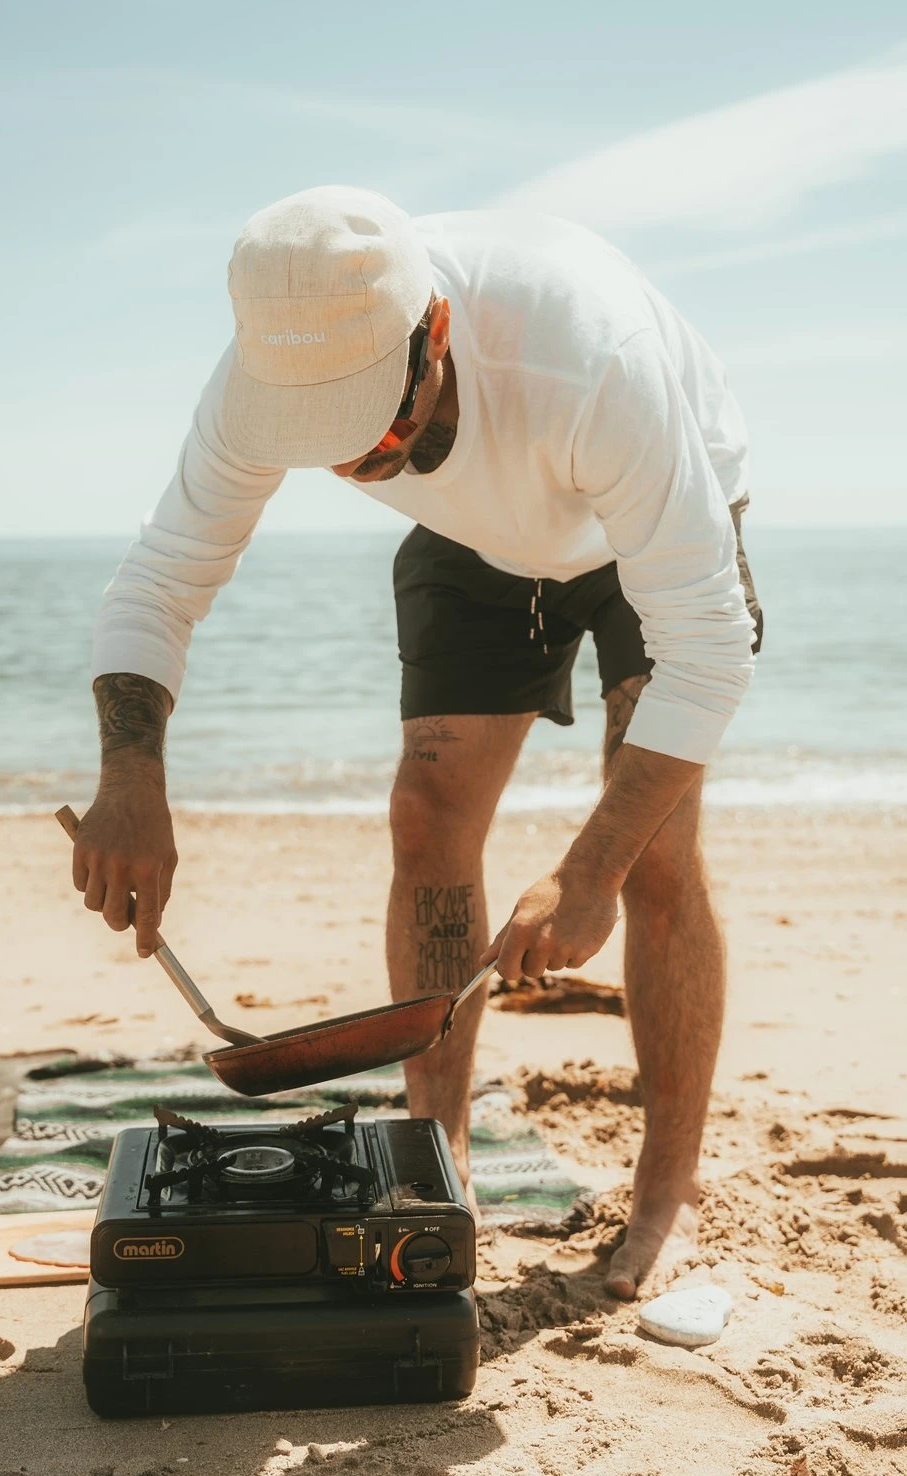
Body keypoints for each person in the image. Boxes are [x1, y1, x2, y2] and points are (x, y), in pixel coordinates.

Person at [73, 186, 763, 1299]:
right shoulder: (264, 367)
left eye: (379, 431)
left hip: (644, 528)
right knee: (425, 815)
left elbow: (710, 652)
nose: (360, 463)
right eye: (327, 448)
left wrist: (587, 870)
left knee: (656, 856)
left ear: (433, 332)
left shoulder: (590, 359)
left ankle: (663, 1194)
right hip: (475, 543)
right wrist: (130, 779)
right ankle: (443, 1164)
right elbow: (161, 579)